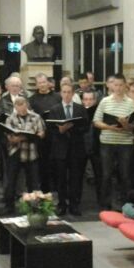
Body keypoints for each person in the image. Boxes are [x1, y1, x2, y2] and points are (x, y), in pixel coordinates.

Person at [93, 73, 134, 211]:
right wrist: (108, 126)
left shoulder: (131, 103)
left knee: (125, 174)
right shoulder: (105, 101)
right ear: (112, 86)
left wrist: (125, 125)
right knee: (106, 174)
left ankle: (125, 204)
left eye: (120, 85)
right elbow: (96, 121)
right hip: (107, 142)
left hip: (125, 143)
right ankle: (104, 204)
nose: (118, 88)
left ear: (125, 86)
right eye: (115, 85)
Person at [47, 83, 89, 216]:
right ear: (61, 93)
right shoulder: (54, 109)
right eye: (64, 92)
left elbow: (85, 127)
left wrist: (72, 127)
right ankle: (61, 204)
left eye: (69, 92)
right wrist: (60, 130)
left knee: (75, 178)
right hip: (60, 148)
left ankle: (74, 204)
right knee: (61, 178)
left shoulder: (80, 108)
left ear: (73, 94)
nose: (66, 95)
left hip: (76, 148)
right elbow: (50, 128)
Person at [1, 96, 46, 214]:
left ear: (27, 105)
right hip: (15, 152)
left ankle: (34, 206)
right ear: (15, 106)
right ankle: (9, 206)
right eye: (18, 105)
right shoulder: (10, 119)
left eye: (23, 104)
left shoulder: (36, 117)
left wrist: (26, 136)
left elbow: (41, 133)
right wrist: (27, 136)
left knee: (33, 181)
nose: (21, 107)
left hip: (31, 152)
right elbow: (11, 138)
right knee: (11, 181)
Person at [28, 72, 62, 193]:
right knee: (43, 163)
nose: (42, 85)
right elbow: (30, 118)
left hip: (57, 134)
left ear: (48, 83)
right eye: (39, 83)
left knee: (57, 162)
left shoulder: (58, 97)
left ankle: (58, 189)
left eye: (44, 82)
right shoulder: (31, 99)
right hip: (41, 136)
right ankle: (45, 189)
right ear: (36, 85)